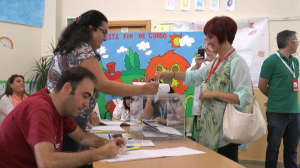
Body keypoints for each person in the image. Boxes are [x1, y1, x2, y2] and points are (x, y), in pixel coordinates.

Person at [47, 10, 158, 152]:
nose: (106, 38)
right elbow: (104, 85)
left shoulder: (71, 47)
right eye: (104, 32)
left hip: (64, 119)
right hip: (67, 119)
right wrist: (143, 89)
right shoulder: (82, 50)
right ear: (91, 28)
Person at [155, 16, 253, 162]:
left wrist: (212, 93)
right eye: (207, 37)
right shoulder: (217, 62)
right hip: (209, 131)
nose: (207, 41)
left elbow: (245, 97)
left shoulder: (237, 62)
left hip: (225, 135)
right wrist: (170, 73)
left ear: (224, 36)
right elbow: (195, 77)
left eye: (211, 37)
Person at [0, 67, 126, 168]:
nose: (87, 104)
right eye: (85, 95)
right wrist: (99, 153)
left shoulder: (60, 109)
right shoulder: (40, 108)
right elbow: (47, 163)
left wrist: (108, 143)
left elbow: (82, 138)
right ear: (67, 88)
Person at [258, 30, 300, 168]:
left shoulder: (295, 62)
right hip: (276, 113)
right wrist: (273, 97)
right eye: (297, 42)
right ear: (290, 43)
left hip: (295, 112)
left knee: (292, 150)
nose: (298, 45)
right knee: (273, 149)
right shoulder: (271, 61)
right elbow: (262, 85)